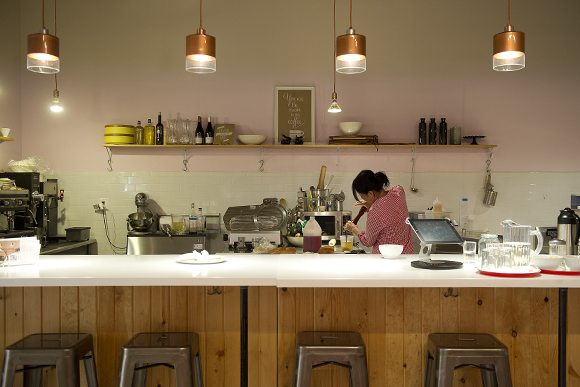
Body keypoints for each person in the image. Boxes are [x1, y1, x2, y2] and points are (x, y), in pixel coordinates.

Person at [343, 170, 414, 254]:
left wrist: (354, 229)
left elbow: (367, 242)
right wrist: (372, 201)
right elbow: (388, 193)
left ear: (370, 193)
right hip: (407, 254)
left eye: (362, 196)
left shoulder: (375, 214)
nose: (363, 199)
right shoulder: (399, 192)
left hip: (386, 259)